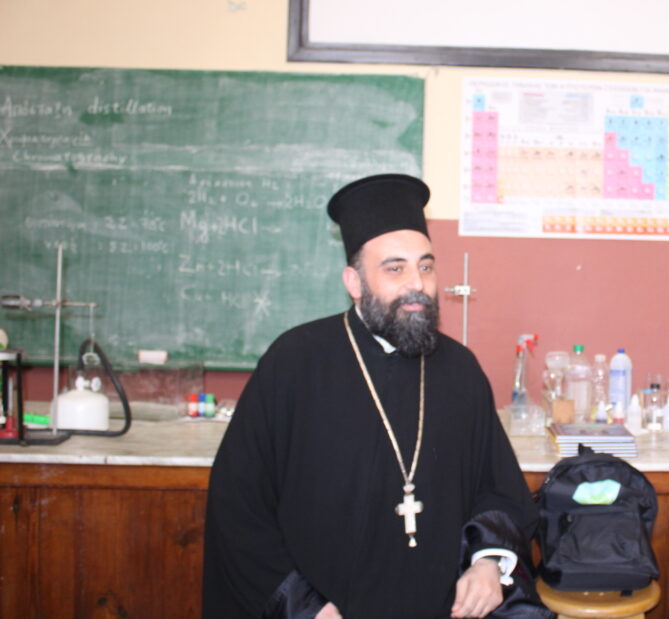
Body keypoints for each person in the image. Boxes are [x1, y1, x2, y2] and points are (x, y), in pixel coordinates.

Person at [203, 174, 551, 619]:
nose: (416, 284)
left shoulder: (460, 370)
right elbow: (238, 506)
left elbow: (497, 489)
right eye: (395, 269)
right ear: (354, 281)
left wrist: (488, 563)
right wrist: (304, 607)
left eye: (426, 267)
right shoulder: (293, 363)